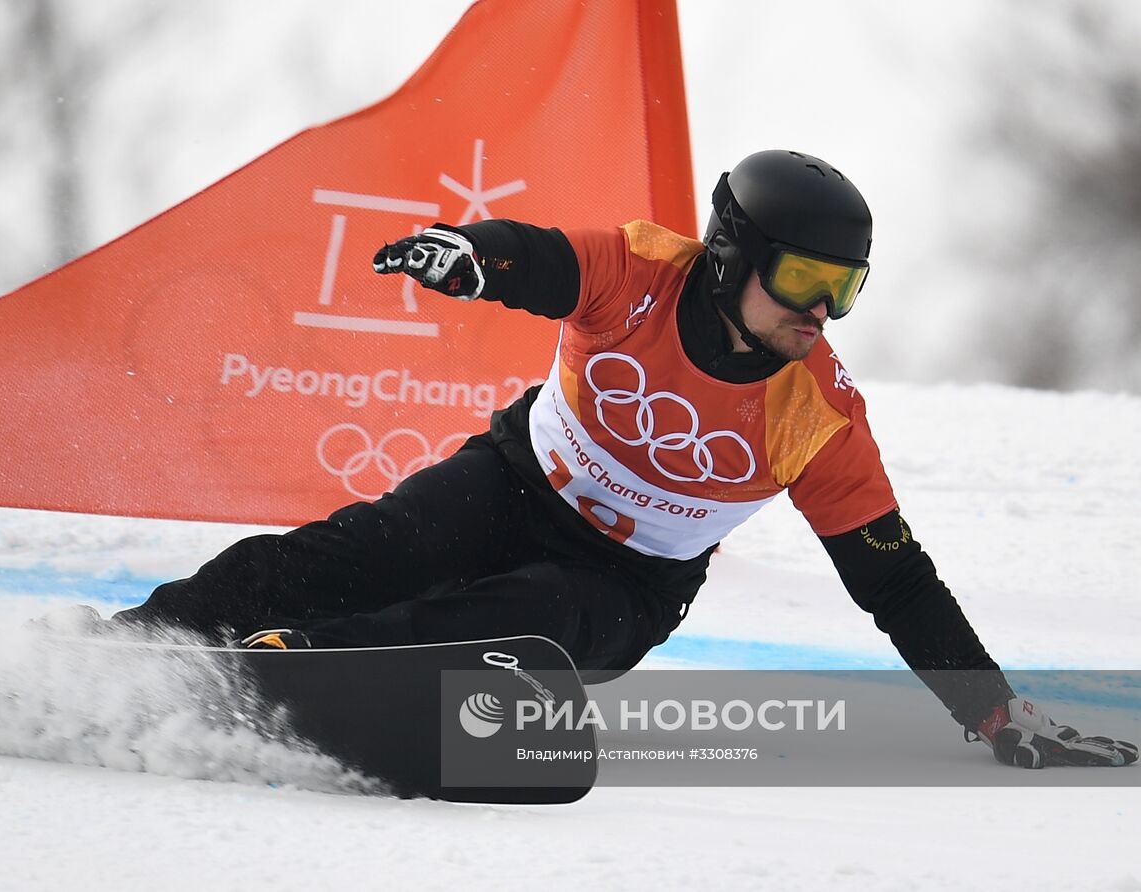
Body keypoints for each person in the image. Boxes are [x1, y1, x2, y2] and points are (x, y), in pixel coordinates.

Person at [104, 149, 1135, 770]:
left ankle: (301, 672)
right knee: (365, 547)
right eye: (804, 278)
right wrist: (472, 254)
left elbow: (894, 581)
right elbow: (540, 259)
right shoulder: (643, 272)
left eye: (845, 288)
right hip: (514, 481)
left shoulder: (814, 411)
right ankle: (128, 646)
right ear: (731, 256)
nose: (820, 311)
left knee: (539, 622)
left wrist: (996, 718)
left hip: (629, 580)